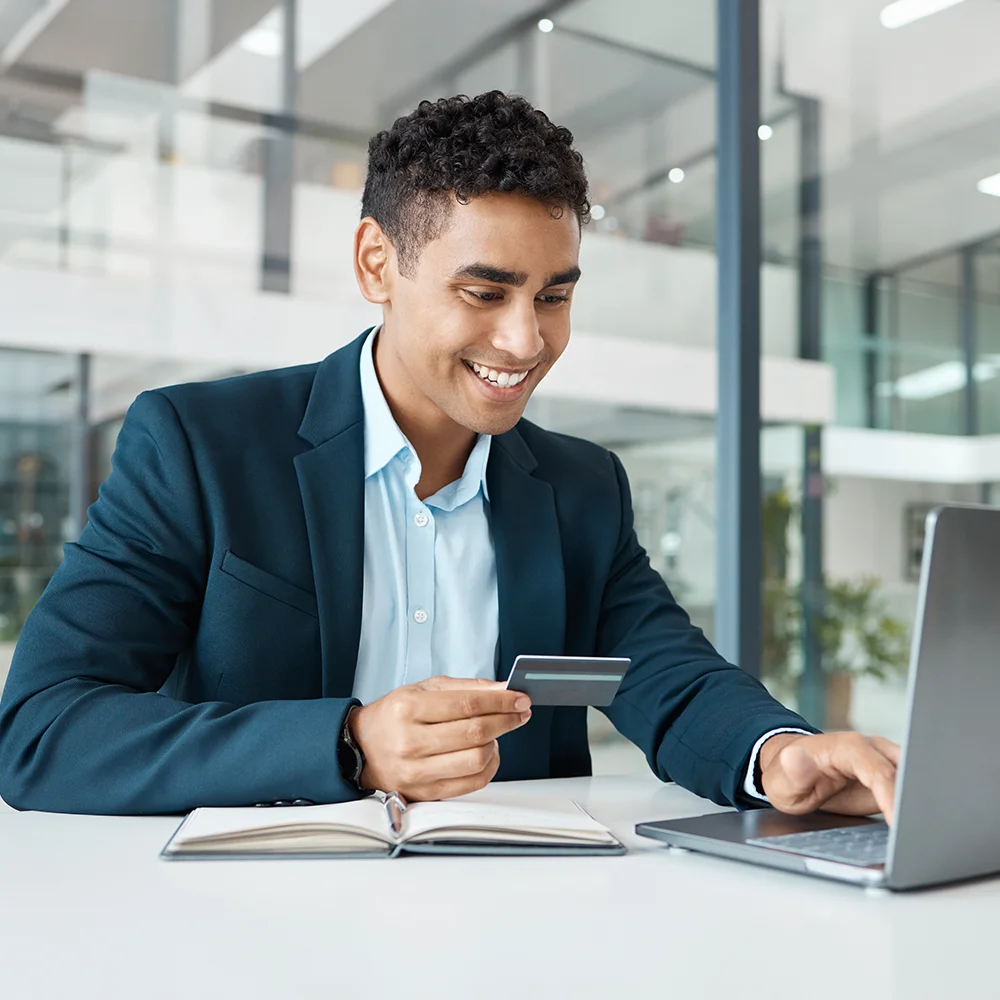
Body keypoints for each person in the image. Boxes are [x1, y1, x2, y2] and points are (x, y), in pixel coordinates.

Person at [0, 92, 899, 820]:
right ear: (375, 264)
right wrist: (348, 744)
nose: (525, 340)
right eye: (484, 291)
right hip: (258, 933)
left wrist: (783, 756)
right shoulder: (201, 445)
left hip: (515, 931)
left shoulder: (582, 489)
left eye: (554, 296)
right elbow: (44, 729)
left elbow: (659, 671)